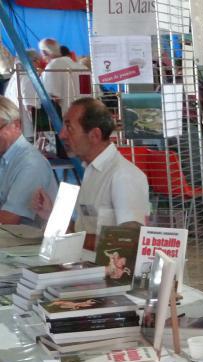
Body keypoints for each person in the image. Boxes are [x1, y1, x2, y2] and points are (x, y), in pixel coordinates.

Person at [32, 97, 149, 245]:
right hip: (84, 264)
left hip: (103, 267)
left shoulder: (123, 176)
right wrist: (50, 214)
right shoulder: (91, 170)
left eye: (69, 128)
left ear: (95, 135)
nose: (62, 135)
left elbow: (129, 241)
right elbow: (83, 232)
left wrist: (72, 240)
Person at [0, 99, 57, 225]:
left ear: (16, 125)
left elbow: (9, 219)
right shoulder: (6, 157)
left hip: (27, 242)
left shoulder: (31, 163)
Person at [39, 37, 88, 115]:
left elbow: (52, 97)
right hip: (86, 114)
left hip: (67, 117)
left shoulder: (52, 67)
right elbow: (88, 94)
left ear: (44, 52)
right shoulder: (83, 68)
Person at [3, 49, 41, 139]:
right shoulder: (28, 78)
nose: (38, 64)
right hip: (29, 131)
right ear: (32, 61)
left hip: (17, 130)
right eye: (36, 60)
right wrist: (40, 130)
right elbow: (30, 107)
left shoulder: (14, 78)